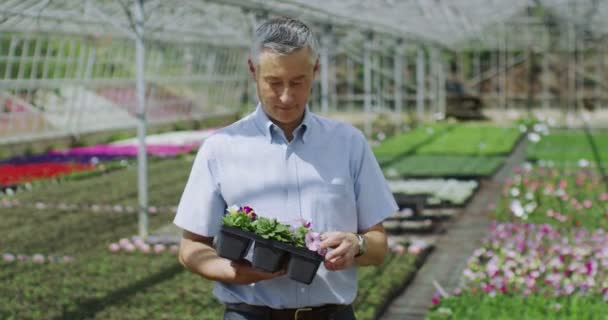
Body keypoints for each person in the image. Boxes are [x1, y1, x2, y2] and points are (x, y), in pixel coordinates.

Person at [174, 16, 397, 320]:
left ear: (315, 71)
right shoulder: (222, 147)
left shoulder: (348, 143)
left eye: (298, 82)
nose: (286, 97)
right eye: (274, 83)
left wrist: (356, 245)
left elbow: (378, 246)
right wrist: (232, 272)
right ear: (253, 70)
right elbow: (190, 248)